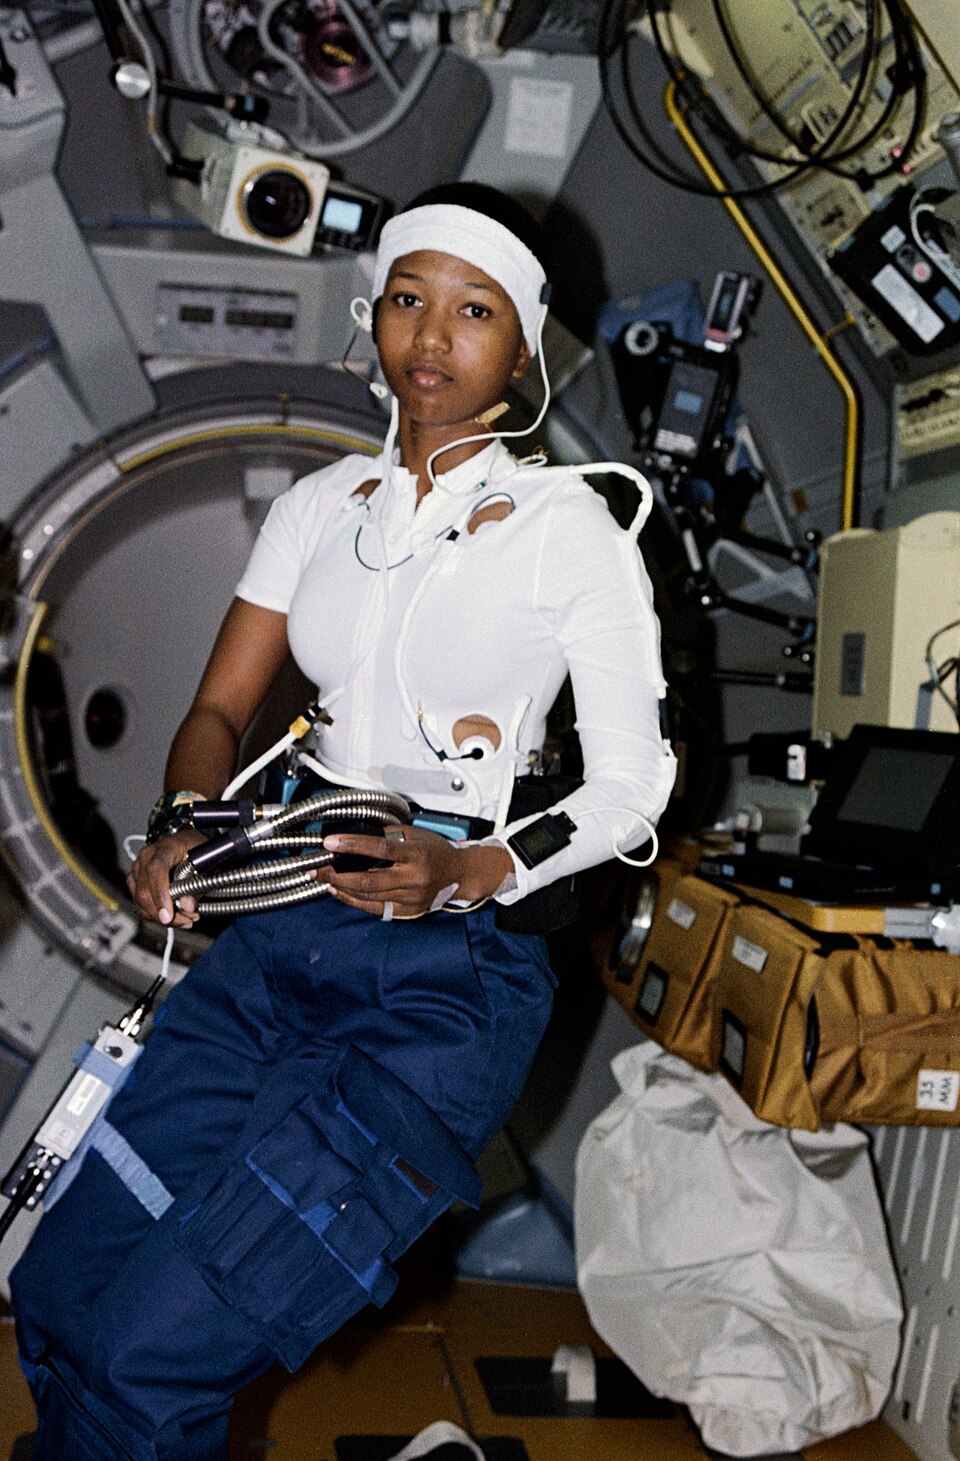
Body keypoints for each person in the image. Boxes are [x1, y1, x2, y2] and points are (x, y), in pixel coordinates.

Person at [10, 182, 676, 1460]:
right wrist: (181, 822)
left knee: (155, 1360)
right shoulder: (319, 510)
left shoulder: (570, 530)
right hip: (277, 946)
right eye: (410, 301)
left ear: (521, 348)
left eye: (474, 311)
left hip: (438, 992)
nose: (433, 338)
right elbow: (218, 709)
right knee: (62, 1294)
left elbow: (633, 787)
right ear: (374, 318)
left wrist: (468, 867)